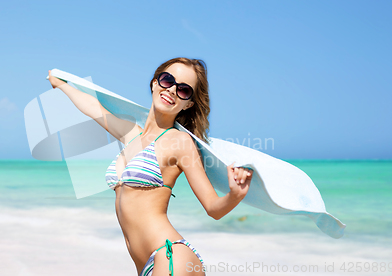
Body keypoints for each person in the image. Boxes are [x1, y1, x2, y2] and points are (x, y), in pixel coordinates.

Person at [48, 57, 252, 276]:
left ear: (189, 103)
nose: (172, 90)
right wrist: (61, 84)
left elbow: (213, 208)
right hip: (145, 265)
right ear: (155, 83)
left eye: (183, 90)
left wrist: (235, 195)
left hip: (171, 256)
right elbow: (93, 108)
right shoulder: (131, 134)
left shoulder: (179, 142)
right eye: (167, 80)